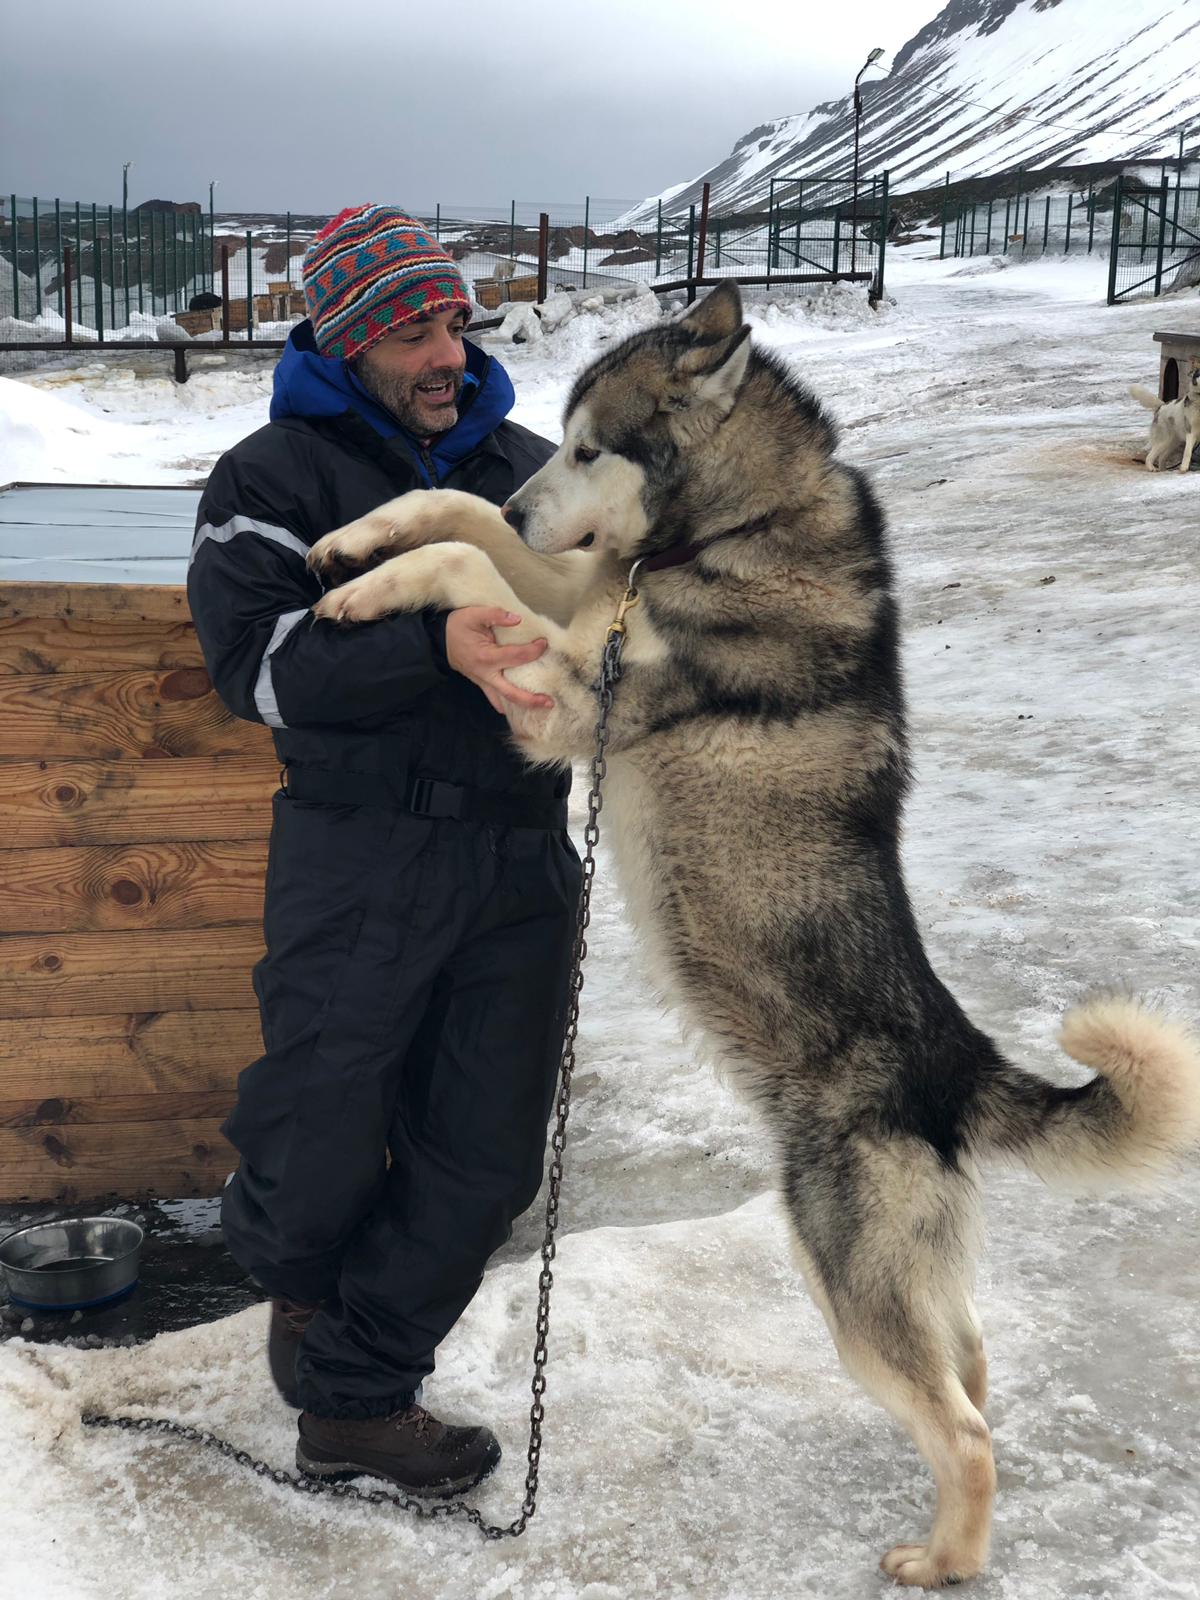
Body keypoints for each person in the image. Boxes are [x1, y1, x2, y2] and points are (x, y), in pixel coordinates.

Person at [187, 204, 581, 1498]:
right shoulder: (273, 480)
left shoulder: (536, 471)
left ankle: (359, 1392)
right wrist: (433, 641)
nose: (444, 352)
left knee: (485, 1158)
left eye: (454, 321)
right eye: (411, 327)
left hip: (519, 863)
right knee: (321, 1127)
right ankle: (300, 1284)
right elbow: (258, 670)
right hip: (359, 851)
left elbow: (615, 624)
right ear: (350, 338)